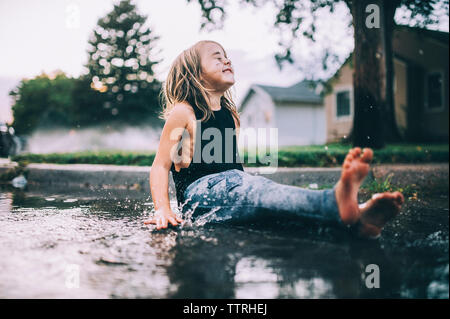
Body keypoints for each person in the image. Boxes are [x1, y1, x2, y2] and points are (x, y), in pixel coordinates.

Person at [144, 40, 404, 239]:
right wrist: (163, 210)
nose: (226, 61)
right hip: (202, 196)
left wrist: (244, 182)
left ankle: (356, 222)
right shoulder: (184, 112)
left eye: (227, 57)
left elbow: (233, 170)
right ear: (195, 74)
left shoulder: (230, 116)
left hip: (232, 188)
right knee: (261, 193)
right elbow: (160, 166)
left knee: (275, 207)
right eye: (217, 58)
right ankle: (334, 201)